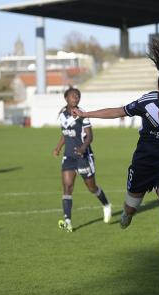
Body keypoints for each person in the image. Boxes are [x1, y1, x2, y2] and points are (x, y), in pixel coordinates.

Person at [71, 39, 159, 278]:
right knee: (131, 206)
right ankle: (127, 214)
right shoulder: (146, 102)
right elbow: (118, 111)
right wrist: (86, 114)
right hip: (143, 164)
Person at [53, 87, 112, 232]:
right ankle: (67, 221)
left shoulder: (82, 114)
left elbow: (90, 136)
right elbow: (65, 134)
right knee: (67, 187)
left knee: (92, 188)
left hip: (83, 156)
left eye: (78, 96)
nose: (76, 98)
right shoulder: (62, 114)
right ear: (66, 98)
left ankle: (106, 204)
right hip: (69, 157)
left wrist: (83, 148)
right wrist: (58, 147)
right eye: (73, 96)